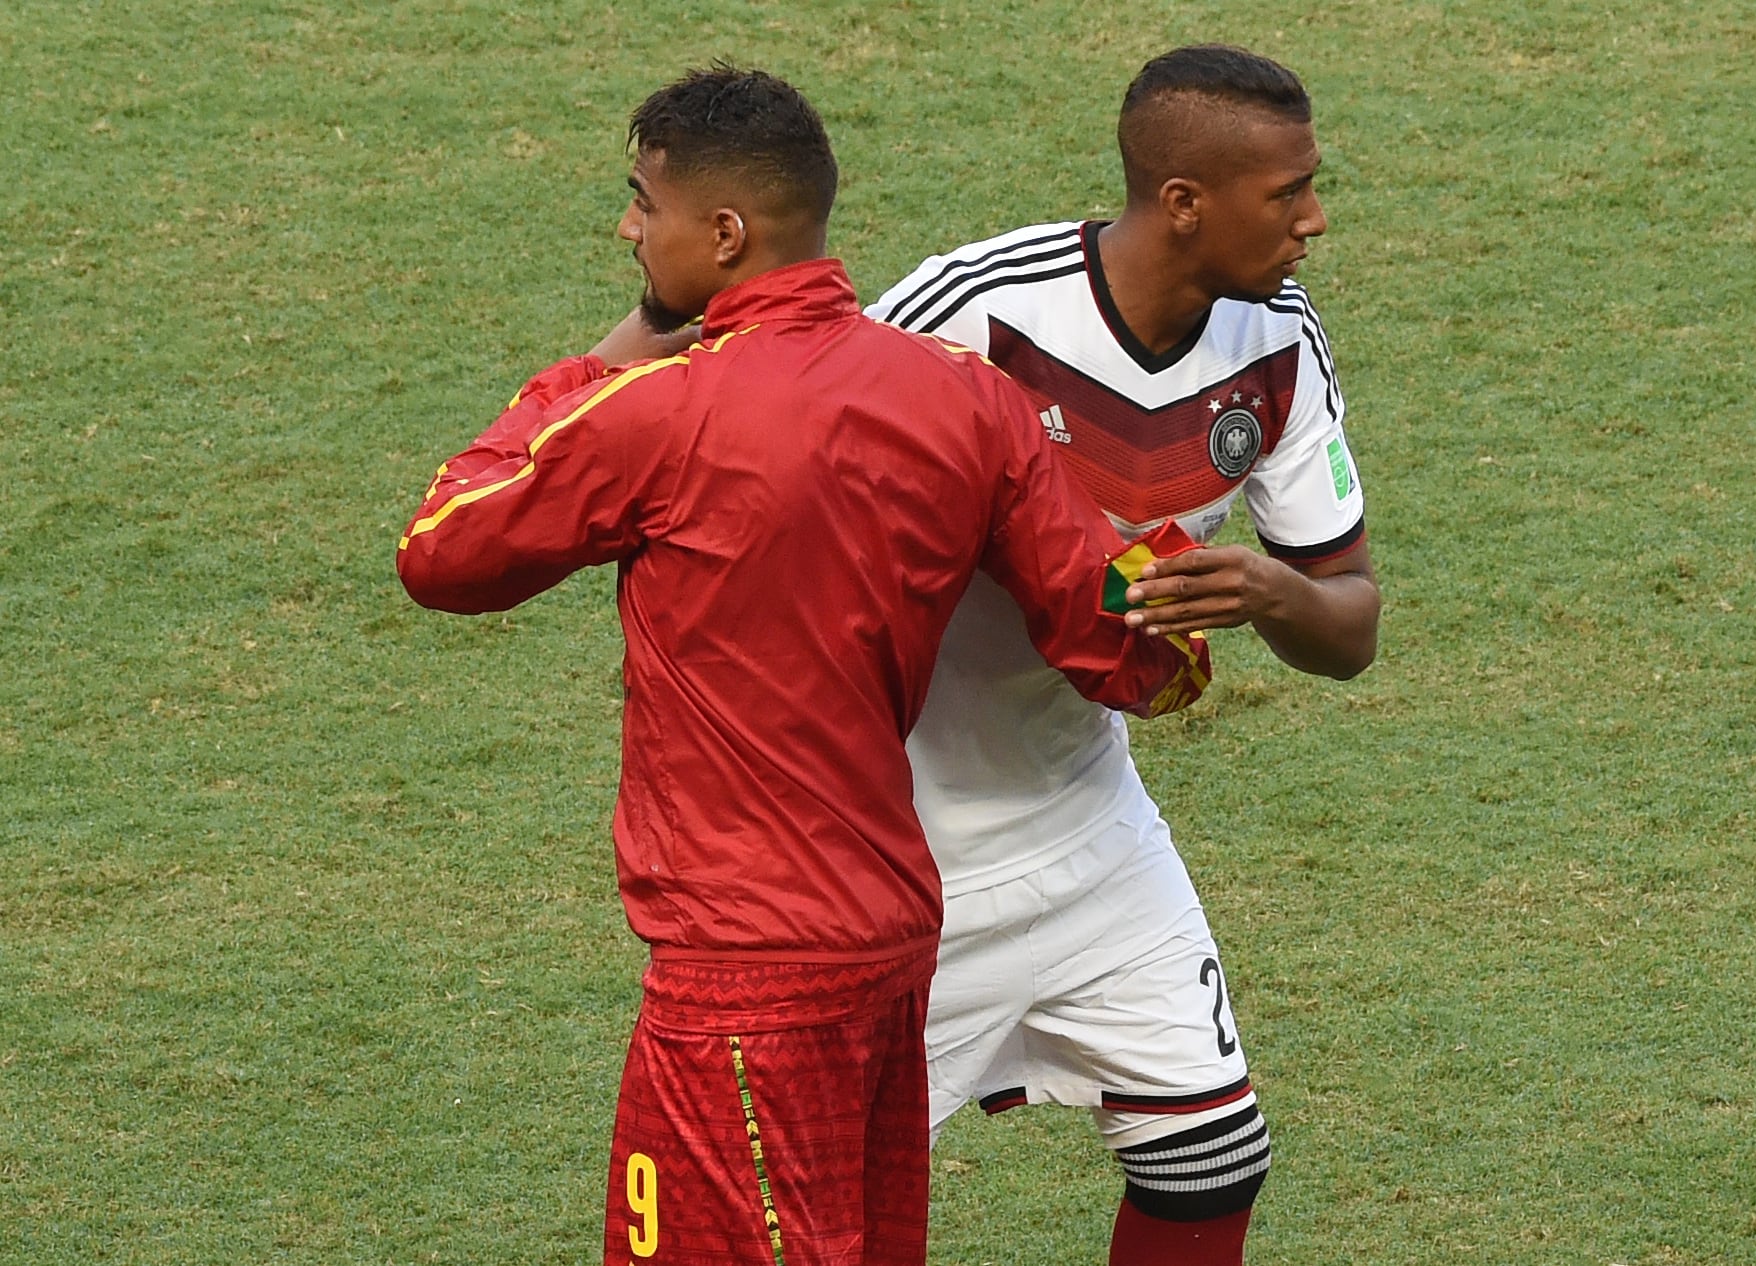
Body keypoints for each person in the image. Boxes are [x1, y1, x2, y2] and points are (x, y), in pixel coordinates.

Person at [395, 65, 1208, 1266]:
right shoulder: (967, 399)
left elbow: (442, 551)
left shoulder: (659, 413)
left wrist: (604, 361)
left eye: (642, 203)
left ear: (724, 233)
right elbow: (1126, 650)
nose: (628, 229)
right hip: (892, 937)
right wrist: (1211, 610)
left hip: (744, 969)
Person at [863, 44, 1381, 1266]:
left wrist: (1266, 591)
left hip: (1089, 833)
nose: (1314, 219)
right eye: (1288, 191)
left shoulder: (1277, 340)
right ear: (1185, 202)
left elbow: (1351, 623)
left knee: (1210, 1164)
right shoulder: (974, 308)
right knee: (840, 1201)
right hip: (897, 857)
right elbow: (795, 467)